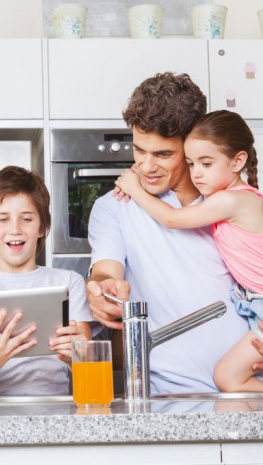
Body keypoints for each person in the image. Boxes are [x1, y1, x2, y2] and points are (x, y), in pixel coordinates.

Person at [86, 72, 251, 395]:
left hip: (247, 391)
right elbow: (106, 271)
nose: (146, 167)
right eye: (139, 150)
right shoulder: (115, 207)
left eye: (163, 154)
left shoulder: (231, 202)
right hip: (168, 397)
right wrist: (102, 288)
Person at [114, 110, 262, 392]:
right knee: (230, 377)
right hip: (255, 304)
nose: (197, 173)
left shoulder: (230, 201)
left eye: (206, 164)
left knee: (228, 378)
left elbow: (172, 219)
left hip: (260, 303)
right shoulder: (231, 198)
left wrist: (135, 188)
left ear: (238, 161)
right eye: (191, 163)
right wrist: (145, 171)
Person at [0, 166, 93, 396]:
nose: (15, 229)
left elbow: (89, 365)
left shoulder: (70, 282)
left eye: (27, 219)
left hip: (55, 408)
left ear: (42, 227)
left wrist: (77, 356)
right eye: (3, 219)